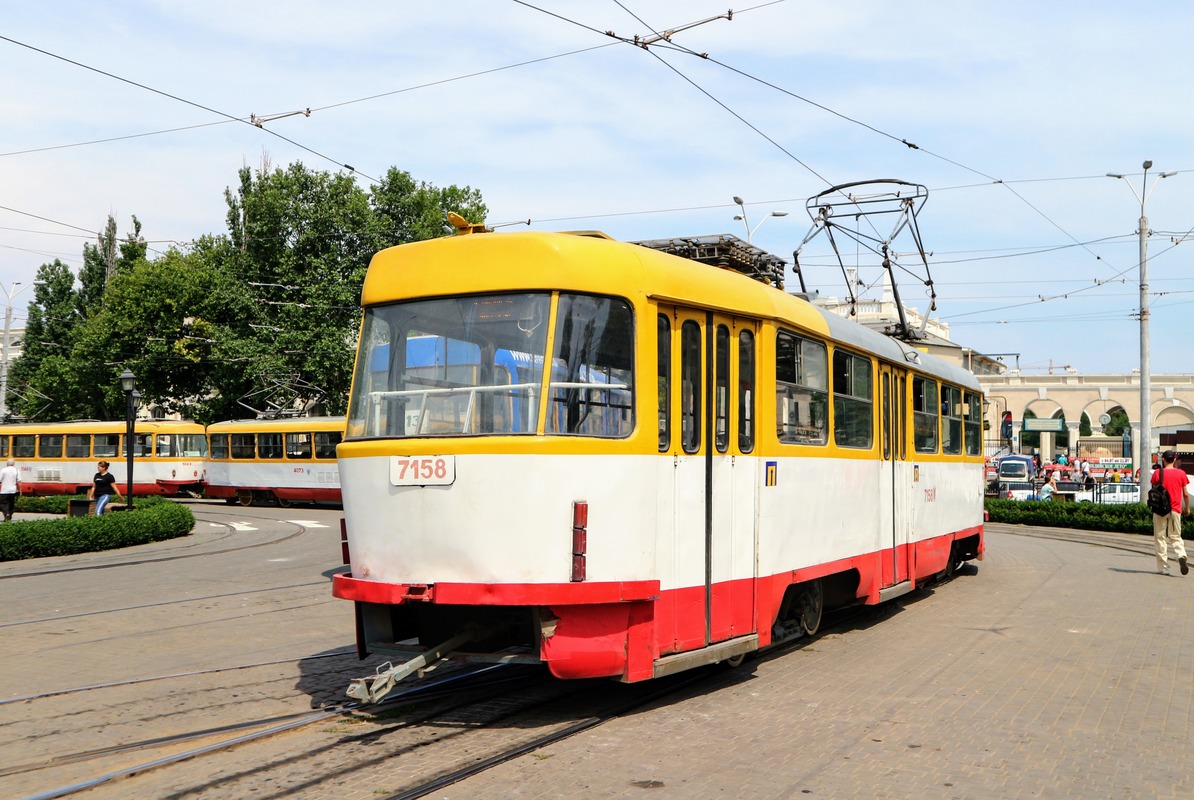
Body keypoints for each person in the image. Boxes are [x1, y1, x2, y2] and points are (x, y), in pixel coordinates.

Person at [1150, 450, 1189, 576]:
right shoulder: (1181, 474)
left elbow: (1154, 491)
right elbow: (1186, 494)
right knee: (1176, 536)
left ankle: (1163, 568)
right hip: (1176, 509)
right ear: (1174, 459)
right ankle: (1181, 554)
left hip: (1160, 510)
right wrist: (1187, 508)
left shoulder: (1157, 473)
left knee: (1160, 537)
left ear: (1164, 460)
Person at [0, 458, 19, 523]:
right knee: (11, 504)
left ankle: (7, 514)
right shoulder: (16, 470)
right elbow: (19, 481)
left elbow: (0, 480)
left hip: (4, 490)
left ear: (7, 463)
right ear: (13, 464)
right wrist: (20, 490)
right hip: (13, 490)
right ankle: (8, 517)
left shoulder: (3, 470)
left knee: (3, 504)